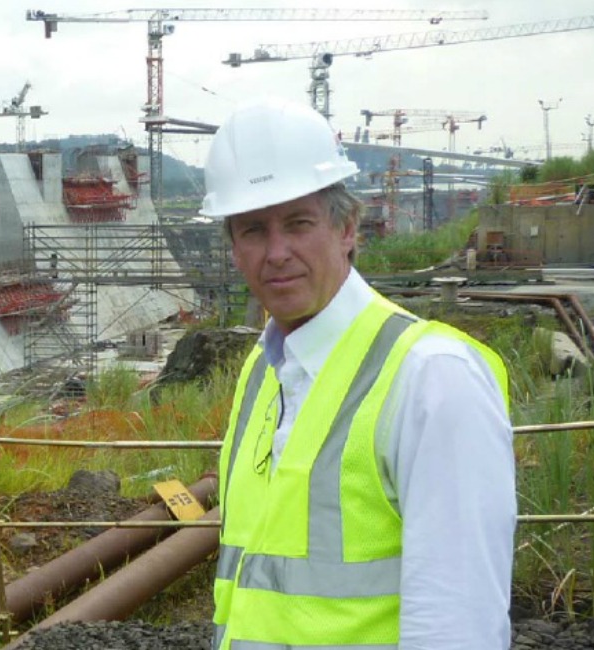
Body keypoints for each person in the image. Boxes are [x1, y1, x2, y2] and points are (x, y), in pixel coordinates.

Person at [200, 99, 516, 649]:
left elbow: (457, 626)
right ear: (233, 247)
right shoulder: (263, 370)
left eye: (298, 223)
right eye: (253, 230)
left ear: (347, 227)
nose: (276, 253)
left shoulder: (431, 380)